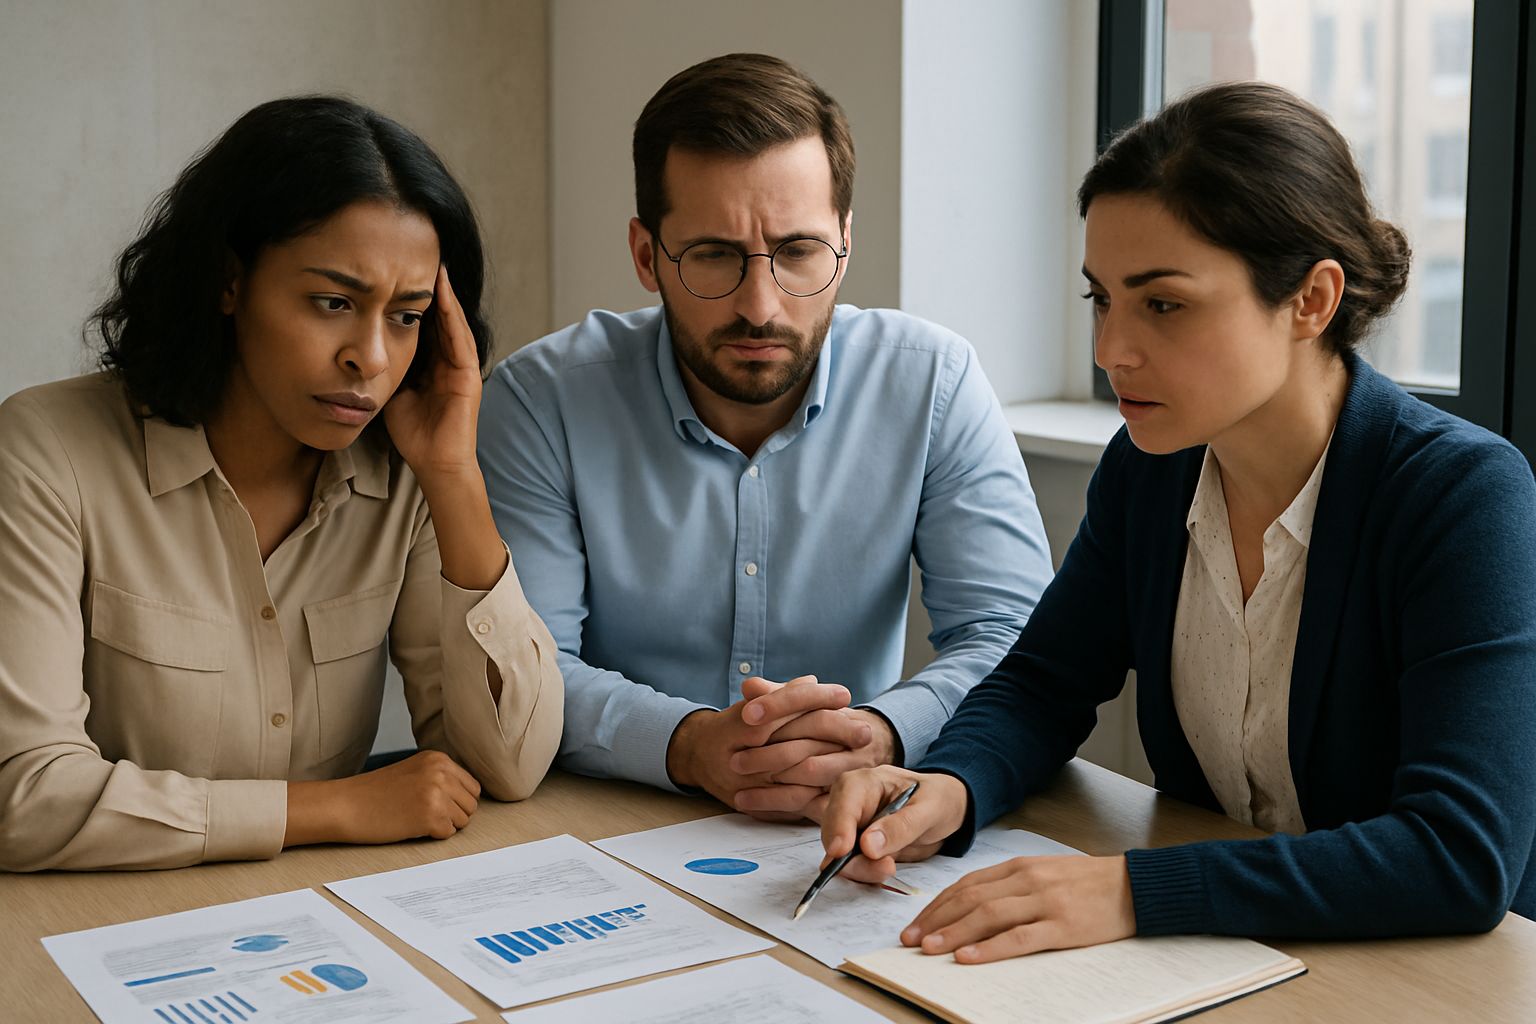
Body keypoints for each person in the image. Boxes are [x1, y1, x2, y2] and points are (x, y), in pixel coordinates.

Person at [818, 81, 1536, 961]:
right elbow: (1043, 681)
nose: (1111, 349)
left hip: (1438, 975)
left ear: (1312, 300)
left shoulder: (1460, 495)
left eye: (1162, 304)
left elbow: (1458, 854)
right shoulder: (1149, 471)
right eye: (1101, 299)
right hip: (1239, 955)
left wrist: (1133, 889)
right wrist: (950, 784)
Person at [477, 53, 1053, 819]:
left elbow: (1013, 639)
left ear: (845, 243)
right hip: (605, 818)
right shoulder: (539, 399)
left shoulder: (933, 383)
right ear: (647, 255)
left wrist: (880, 732)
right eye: (713, 254)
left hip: (848, 809)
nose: (761, 304)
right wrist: (686, 743)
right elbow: (532, 671)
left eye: (797, 252)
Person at [0, 96, 563, 871]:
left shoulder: (405, 472)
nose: (369, 356)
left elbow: (511, 765)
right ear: (230, 280)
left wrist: (455, 477)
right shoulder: (47, 452)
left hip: (330, 931)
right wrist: (331, 806)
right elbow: (24, 797)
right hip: (106, 921)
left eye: (406, 316)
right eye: (333, 303)